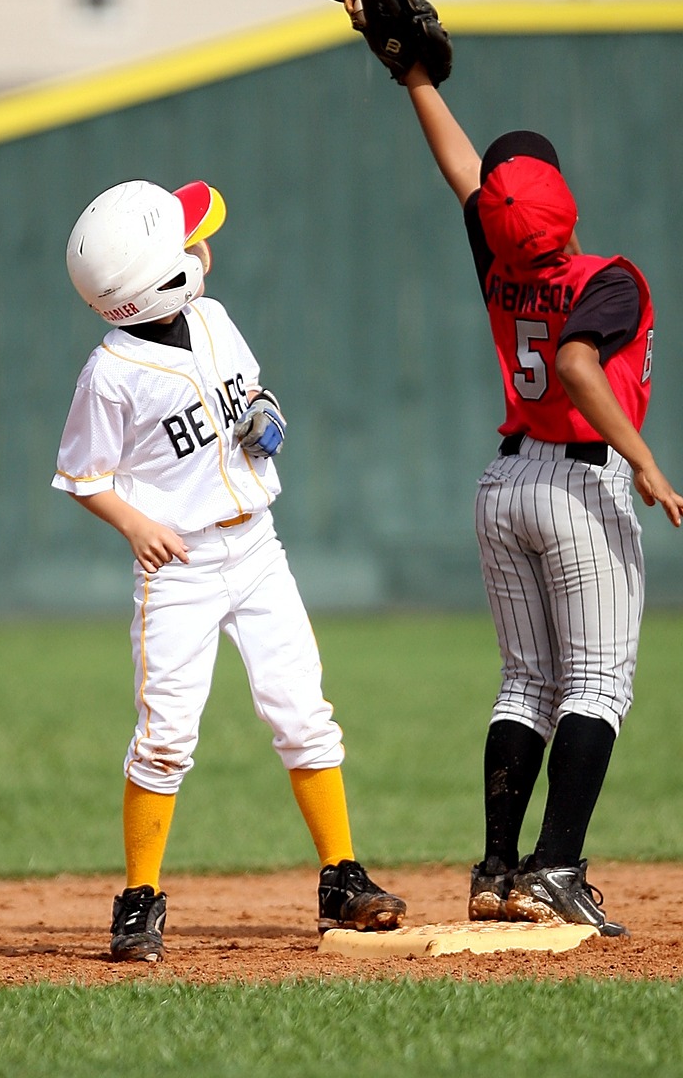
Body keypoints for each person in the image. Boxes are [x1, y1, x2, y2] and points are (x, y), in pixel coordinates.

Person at [52, 178, 406, 962]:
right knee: (166, 736)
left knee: (304, 712)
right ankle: (139, 899)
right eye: (181, 244)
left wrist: (264, 413)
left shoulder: (211, 317)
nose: (198, 246)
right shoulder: (110, 372)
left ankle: (342, 879)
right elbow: (83, 474)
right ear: (152, 285)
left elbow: (247, 392)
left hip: (256, 547)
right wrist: (136, 522)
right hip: (180, 567)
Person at [395, 60, 683, 937]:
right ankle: (557, 869)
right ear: (562, 197)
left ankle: (497, 870)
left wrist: (416, 80)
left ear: (496, 217)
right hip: (579, 480)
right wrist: (644, 462)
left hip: (505, 483)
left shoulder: (497, 263)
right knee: (596, 685)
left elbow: (463, 173)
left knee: (526, 681)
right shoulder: (610, 279)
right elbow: (576, 363)